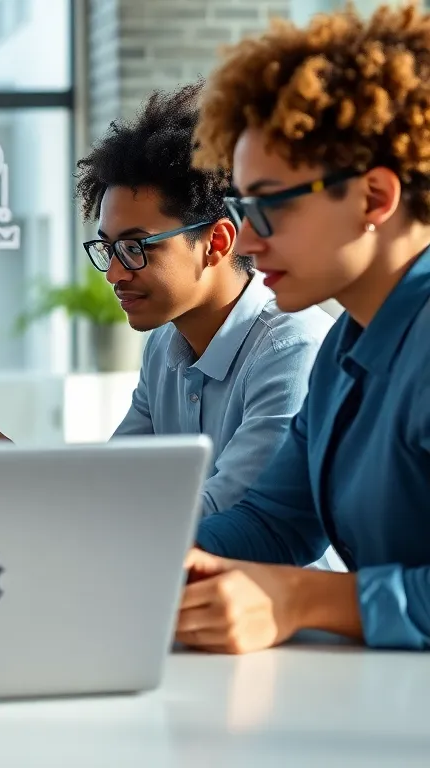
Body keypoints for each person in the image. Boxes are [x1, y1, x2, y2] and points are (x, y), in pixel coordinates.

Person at [0, 83, 333, 519]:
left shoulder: (292, 350)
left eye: (136, 248)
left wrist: (9, 459)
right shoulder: (164, 347)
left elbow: (229, 515)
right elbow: (114, 482)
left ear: (216, 243)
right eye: (108, 248)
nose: (114, 274)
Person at [176, 4, 430, 653]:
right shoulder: (347, 345)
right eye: (242, 208)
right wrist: (145, 557)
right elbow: (276, 521)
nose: (246, 242)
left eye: (271, 206)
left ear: (374, 197)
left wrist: (301, 598)